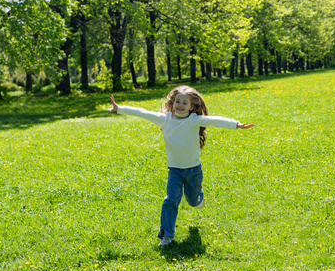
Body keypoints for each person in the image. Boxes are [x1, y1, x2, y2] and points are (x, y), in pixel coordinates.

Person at [109, 85, 255, 246]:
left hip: (193, 170)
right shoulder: (165, 119)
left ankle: (198, 196)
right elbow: (143, 112)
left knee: (193, 201)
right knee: (170, 200)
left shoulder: (193, 120)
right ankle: (167, 236)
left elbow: (214, 120)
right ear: (172, 102)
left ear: (191, 107)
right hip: (175, 171)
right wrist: (119, 108)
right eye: (177, 101)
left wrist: (236, 124)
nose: (180, 105)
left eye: (184, 103)